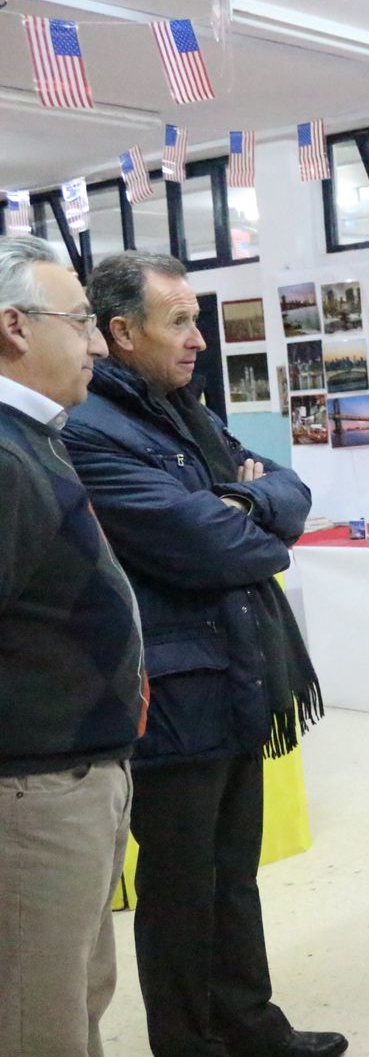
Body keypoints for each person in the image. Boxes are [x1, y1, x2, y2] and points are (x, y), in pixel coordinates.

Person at [62, 253, 343, 1057]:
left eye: (196, 319)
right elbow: (211, 543)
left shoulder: (180, 410)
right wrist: (248, 517)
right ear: (121, 332)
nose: (198, 340)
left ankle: (251, 1026)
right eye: (178, 321)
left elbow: (289, 489)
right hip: (173, 693)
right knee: (181, 891)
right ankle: (191, 1043)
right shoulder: (89, 427)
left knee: (231, 874)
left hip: (235, 672)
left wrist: (248, 498)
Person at [0, 238, 145, 1057]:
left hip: (73, 779)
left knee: (72, 1000)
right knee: (36, 1021)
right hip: (32, 795)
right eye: (83, 321)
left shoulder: (37, 436)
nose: (96, 342)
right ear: (15, 327)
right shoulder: (5, 457)